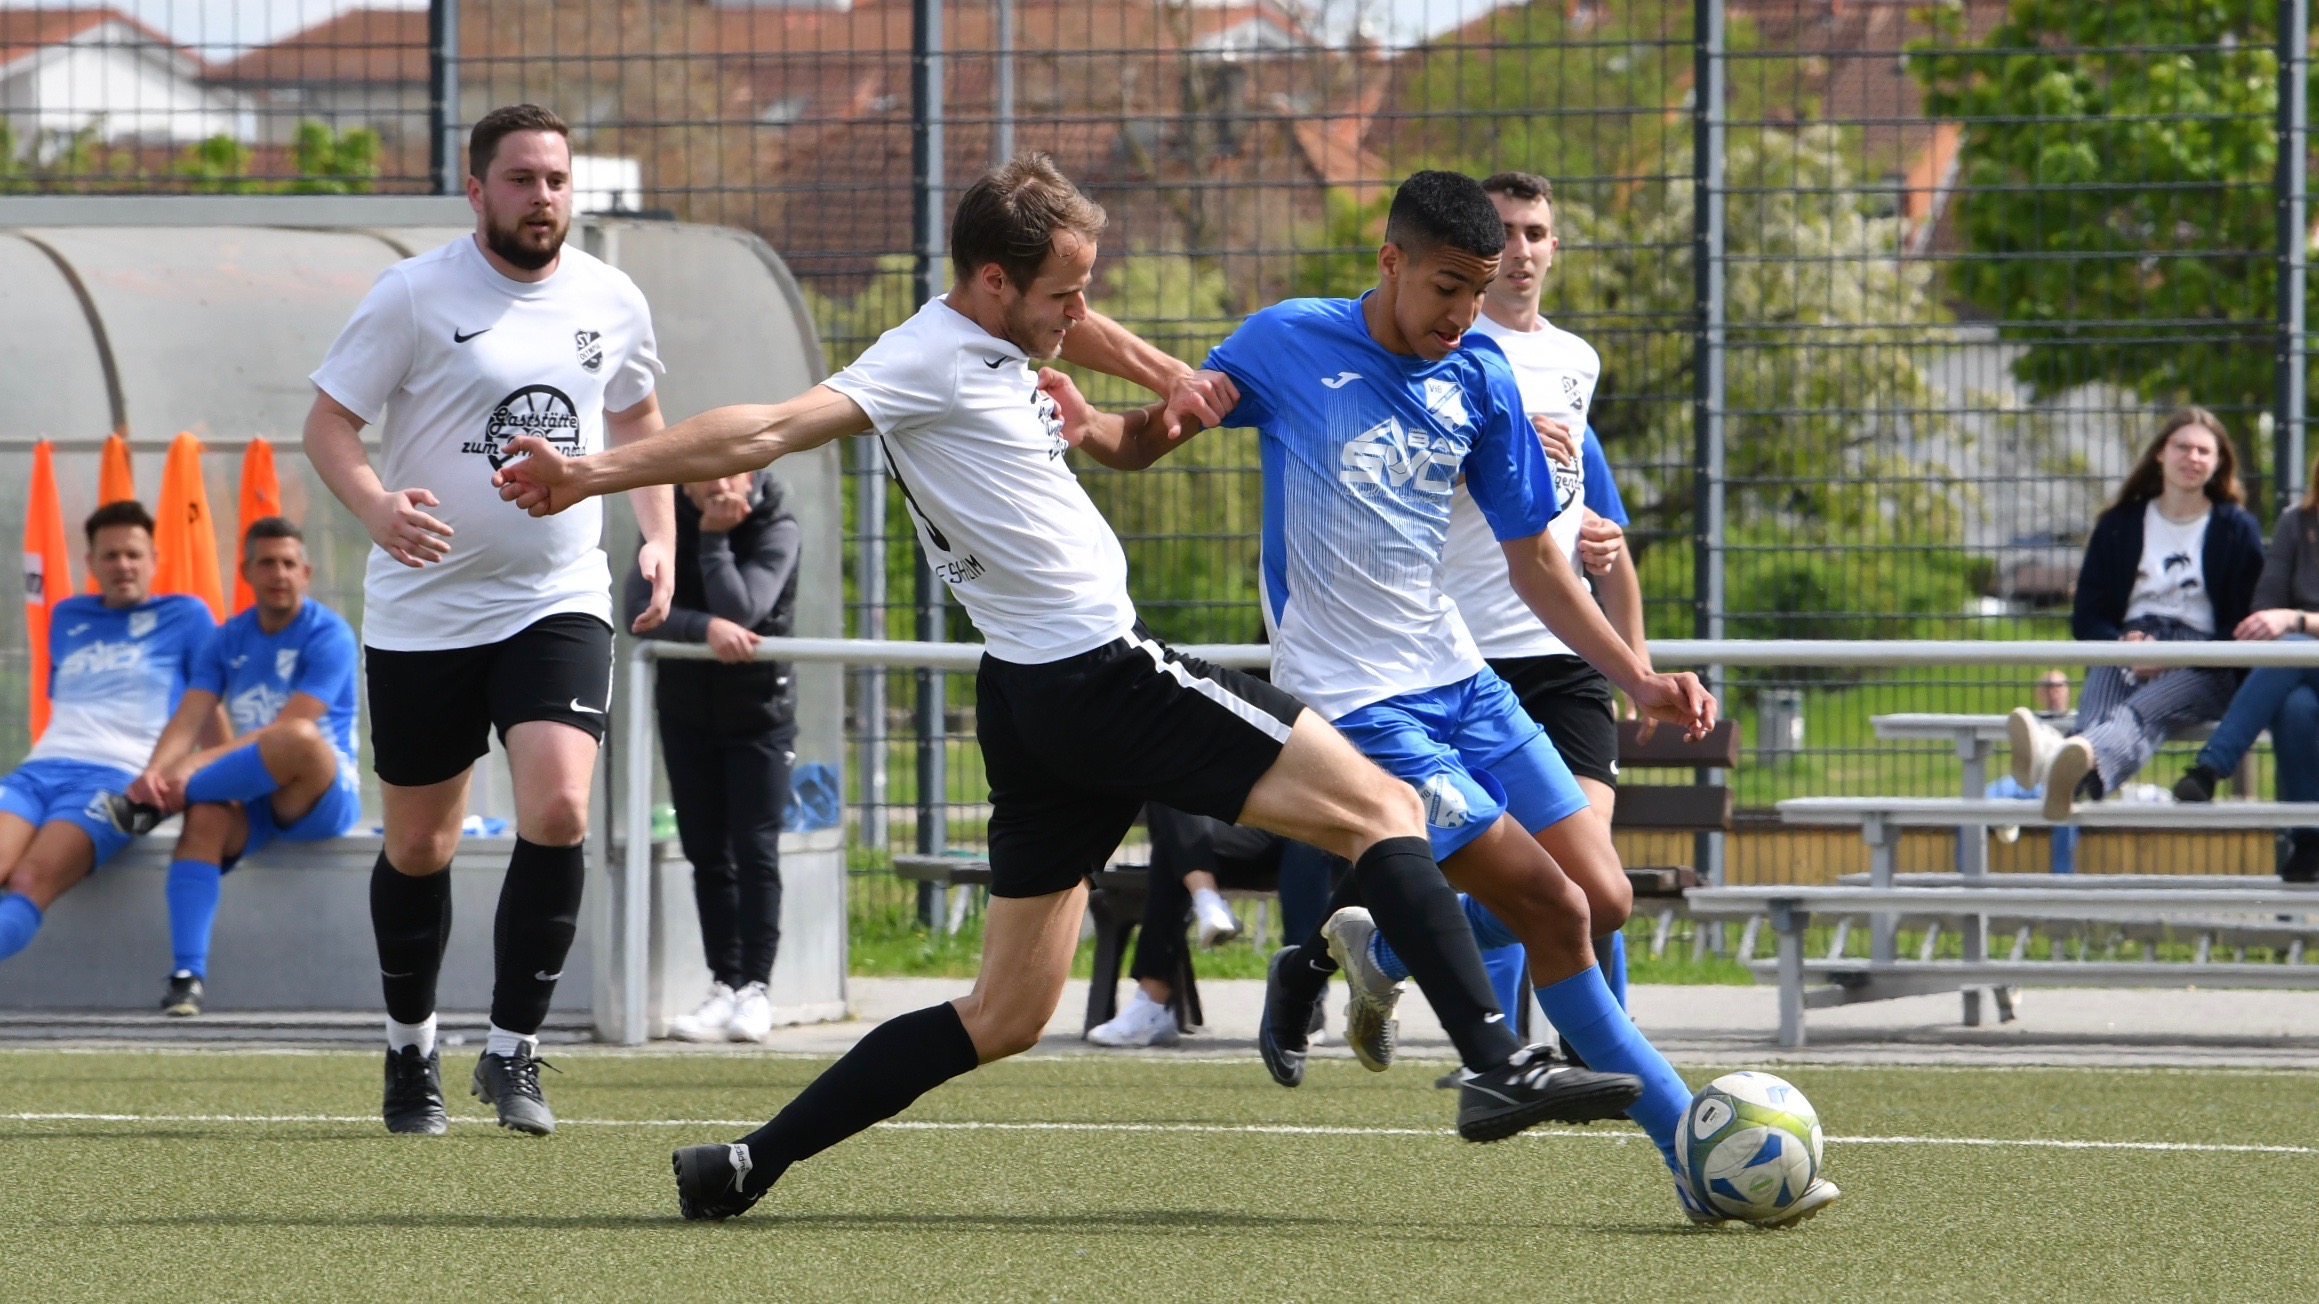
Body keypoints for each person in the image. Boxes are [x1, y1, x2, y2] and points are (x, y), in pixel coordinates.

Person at [494, 153, 1650, 1220]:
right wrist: (589, 470)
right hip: (1104, 672)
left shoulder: (1003, 335)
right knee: (1387, 809)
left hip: (1030, 701)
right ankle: (1499, 1063)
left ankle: (748, 1161)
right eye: (1064, 293)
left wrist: (1162, 372)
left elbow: (1086, 338)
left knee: (1004, 1014)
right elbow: (764, 426)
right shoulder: (920, 360)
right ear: (994, 281)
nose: (1078, 315)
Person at [1104, 168, 1830, 1227]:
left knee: (1605, 896)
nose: (1463, 312)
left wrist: (1639, 673)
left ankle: (1356, 950)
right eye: (1447, 286)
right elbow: (1146, 439)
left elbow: (1539, 561)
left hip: (1468, 684)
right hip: (1361, 709)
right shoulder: (1284, 342)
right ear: (1390, 260)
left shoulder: (1482, 372)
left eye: (1479, 286)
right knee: (1551, 905)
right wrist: (1082, 423)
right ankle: (1694, 1153)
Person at [303, 103, 678, 1136]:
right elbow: (330, 422)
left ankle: (513, 1049)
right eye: (520, 179)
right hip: (424, 610)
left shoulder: (611, 295)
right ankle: (410, 1043)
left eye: (556, 179)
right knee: (419, 842)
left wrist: (658, 534)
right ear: (477, 190)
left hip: (553, 596)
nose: (543, 196)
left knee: (558, 807)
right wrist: (378, 506)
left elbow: (638, 414)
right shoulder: (414, 295)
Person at [1431, 169, 1648, 1033]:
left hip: (1562, 655)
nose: (1520, 249)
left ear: (1555, 246)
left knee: (1594, 878)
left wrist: (1636, 666)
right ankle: (1498, 1050)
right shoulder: (1443, 347)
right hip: (1464, 655)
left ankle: (1607, 1052)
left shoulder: (1575, 362)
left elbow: (1595, 528)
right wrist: (1504, 438)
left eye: (1535, 232)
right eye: (1505, 232)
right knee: (1518, 873)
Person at [120, 517, 363, 1017]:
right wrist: (153, 774)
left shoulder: (329, 633)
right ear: (246, 571)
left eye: (289, 564)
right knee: (206, 816)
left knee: (297, 737)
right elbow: (188, 717)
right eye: (267, 563)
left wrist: (187, 773)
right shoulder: (227, 637)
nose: (279, 573)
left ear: (306, 572)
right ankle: (187, 977)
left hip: (316, 794)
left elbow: (286, 731)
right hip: (248, 786)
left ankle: (163, 803)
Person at [2009, 408, 2264, 822]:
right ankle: (2071, 773)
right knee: (2098, 708)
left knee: (2139, 712)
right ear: (2161, 453)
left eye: (2204, 450)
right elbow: (2087, 614)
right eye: (2182, 446)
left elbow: (2242, 626)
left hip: (2203, 656)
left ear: (2219, 463)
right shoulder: (2119, 523)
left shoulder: (2237, 528)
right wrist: (2121, 644)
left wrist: (2173, 657)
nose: (2192, 457)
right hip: (2128, 641)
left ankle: (2054, 755)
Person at [625, 470, 802, 1043]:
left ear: (752, 476)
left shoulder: (776, 526)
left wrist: (716, 538)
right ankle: (723, 984)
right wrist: (704, 628)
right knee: (706, 851)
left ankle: (756, 989)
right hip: (685, 713)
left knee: (755, 848)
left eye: (734, 472)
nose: (722, 485)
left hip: (760, 719)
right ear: (686, 484)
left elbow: (745, 607)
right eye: (707, 476)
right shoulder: (664, 523)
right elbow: (638, 606)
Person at [0, 503, 214, 967]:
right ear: (90, 563)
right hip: (37, 771)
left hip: (118, 779)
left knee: (29, 881)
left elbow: (207, 704)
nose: (123, 565)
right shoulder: (66, 615)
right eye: (111, 555)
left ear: (154, 559)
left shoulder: (188, 615)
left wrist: (225, 784)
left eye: (133, 554)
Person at [2172, 455, 2319, 881]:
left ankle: (2211, 766)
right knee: (2297, 708)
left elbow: (2282, 620)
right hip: (2298, 670)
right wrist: (2288, 625)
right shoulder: (2297, 524)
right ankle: (2310, 843)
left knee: (2291, 648)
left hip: (2295, 649)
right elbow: (2264, 608)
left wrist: (2299, 622)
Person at [1083, 802, 1272, 1048]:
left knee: (1172, 843)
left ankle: (1152, 1004)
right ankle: (1207, 899)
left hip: (1293, 833)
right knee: (1168, 809)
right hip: (1225, 834)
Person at [1989, 670, 2079, 873]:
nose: (2053, 692)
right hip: (2026, 780)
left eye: (2059, 686)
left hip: (2057, 782)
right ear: (2039, 693)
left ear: (2068, 691)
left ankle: (2062, 883)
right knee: (1978, 801)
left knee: (2065, 808)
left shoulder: (2079, 720)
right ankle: (1970, 884)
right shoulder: (2029, 721)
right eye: (2048, 687)